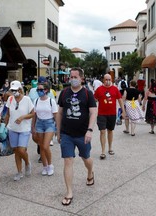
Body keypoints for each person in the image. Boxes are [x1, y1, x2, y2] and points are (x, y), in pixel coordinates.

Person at [56, 67, 97, 206]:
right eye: (71, 77)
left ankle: (90, 172)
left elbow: (93, 113)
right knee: (68, 160)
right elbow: (60, 113)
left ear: (81, 78)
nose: (72, 79)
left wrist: (90, 130)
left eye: (75, 77)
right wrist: (58, 131)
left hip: (82, 134)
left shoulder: (87, 93)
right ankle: (69, 192)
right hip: (66, 133)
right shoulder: (64, 93)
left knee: (86, 158)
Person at [5, 80, 34, 181]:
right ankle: (19, 171)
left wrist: (22, 117)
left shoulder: (27, 99)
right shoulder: (10, 99)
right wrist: (5, 126)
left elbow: (32, 113)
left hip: (24, 129)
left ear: (20, 89)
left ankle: (27, 163)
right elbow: (8, 114)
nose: (13, 92)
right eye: (12, 90)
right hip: (12, 128)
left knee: (22, 150)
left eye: (15, 90)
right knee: (16, 151)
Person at [94, 73, 125, 160]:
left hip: (112, 114)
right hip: (101, 114)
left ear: (111, 80)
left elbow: (120, 100)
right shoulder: (99, 89)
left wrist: (123, 111)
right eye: (106, 79)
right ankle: (103, 151)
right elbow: (94, 100)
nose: (107, 81)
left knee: (110, 131)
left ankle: (110, 148)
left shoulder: (115, 89)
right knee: (102, 131)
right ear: (103, 80)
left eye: (109, 80)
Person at [32, 81, 58, 176]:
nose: (39, 91)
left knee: (46, 146)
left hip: (49, 123)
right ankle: (45, 166)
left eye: (41, 89)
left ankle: (50, 165)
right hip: (39, 123)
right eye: (37, 89)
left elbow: (56, 115)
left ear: (46, 90)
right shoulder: (36, 101)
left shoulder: (51, 101)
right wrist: (33, 127)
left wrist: (57, 129)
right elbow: (34, 115)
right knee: (41, 146)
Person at [28, 76, 55, 162]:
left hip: (48, 121)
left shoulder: (49, 93)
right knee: (40, 142)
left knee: (45, 144)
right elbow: (31, 106)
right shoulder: (33, 92)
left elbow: (54, 109)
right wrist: (32, 125)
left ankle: (48, 162)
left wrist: (56, 126)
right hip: (38, 118)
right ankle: (44, 161)